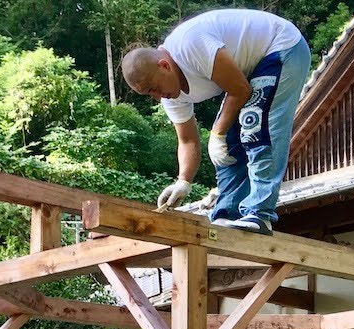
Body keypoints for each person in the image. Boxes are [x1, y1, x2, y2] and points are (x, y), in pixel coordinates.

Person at [122, 9, 310, 235]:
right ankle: (228, 212)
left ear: (164, 65)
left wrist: (216, 132)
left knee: (255, 125)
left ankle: (260, 213)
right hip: (246, 74)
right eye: (149, 94)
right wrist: (183, 181)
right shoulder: (169, 96)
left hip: (281, 47)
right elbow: (188, 140)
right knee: (227, 144)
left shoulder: (190, 44)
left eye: (154, 88)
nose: (157, 96)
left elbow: (240, 89)